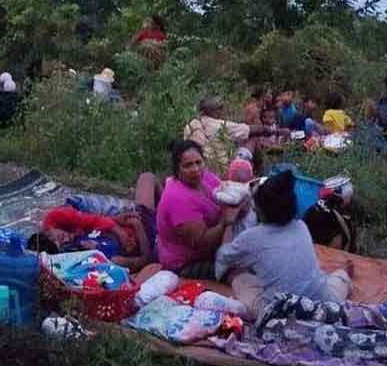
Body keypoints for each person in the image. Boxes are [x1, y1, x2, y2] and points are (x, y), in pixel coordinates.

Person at [215, 170, 352, 318]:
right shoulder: (301, 226)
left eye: (256, 205)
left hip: (281, 316)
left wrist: (228, 223)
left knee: (240, 278)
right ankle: (344, 276)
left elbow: (223, 257)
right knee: (338, 277)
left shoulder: (252, 238)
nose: (253, 208)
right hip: (322, 308)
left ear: (261, 210)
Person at [28, 173, 159, 272]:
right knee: (149, 181)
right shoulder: (107, 259)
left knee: (147, 177)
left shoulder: (76, 239)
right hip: (147, 231)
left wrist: (117, 220)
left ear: (48, 230)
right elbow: (144, 260)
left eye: (54, 237)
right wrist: (138, 226)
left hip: (130, 220)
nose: (63, 240)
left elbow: (93, 221)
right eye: (61, 244)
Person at [156, 140, 241, 279]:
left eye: (198, 162)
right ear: (177, 169)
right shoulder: (177, 198)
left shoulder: (204, 176)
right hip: (187, 262)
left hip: (216, 240)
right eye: (188, 165)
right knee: (240, 271)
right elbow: (202, 242)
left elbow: (225, 193)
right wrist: (226, 222)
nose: (195, 169)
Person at [184, 96, 287, 174]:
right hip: (224, 169)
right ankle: (260, 174)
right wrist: (278, 131)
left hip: (203, 168)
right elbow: (256, 130)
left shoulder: (192, 125)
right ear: (216, 111)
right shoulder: (218, 125)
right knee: (252, 137)